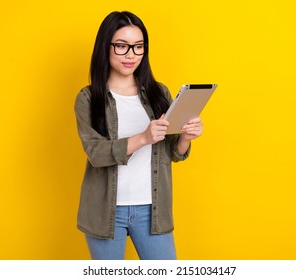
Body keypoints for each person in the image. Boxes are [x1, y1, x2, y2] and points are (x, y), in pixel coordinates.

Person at [74, 11, 203, 260]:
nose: (131, 54)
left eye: (138, 46)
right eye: (122, 46)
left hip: (153, 209)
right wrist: (143, 138)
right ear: (105, 47)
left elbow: (174, 152)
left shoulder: (158, 93)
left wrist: (187, 136)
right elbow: (95, 154)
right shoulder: (89, 98)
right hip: (105, 211)